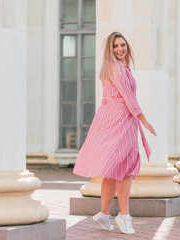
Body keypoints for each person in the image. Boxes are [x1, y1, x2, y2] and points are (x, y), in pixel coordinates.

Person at [73, 32, 156, 234]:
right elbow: (128, 97)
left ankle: (103, 214)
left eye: (122, 45)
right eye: (115, 46)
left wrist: (100, 124)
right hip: (121, 119)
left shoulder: (112, 68)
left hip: (112, 117)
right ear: (110, 50)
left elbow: (105, 100)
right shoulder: (118, 68)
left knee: (113, 170)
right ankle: (124, 216)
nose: (120, 49)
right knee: (125, 168)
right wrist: (143, 120)